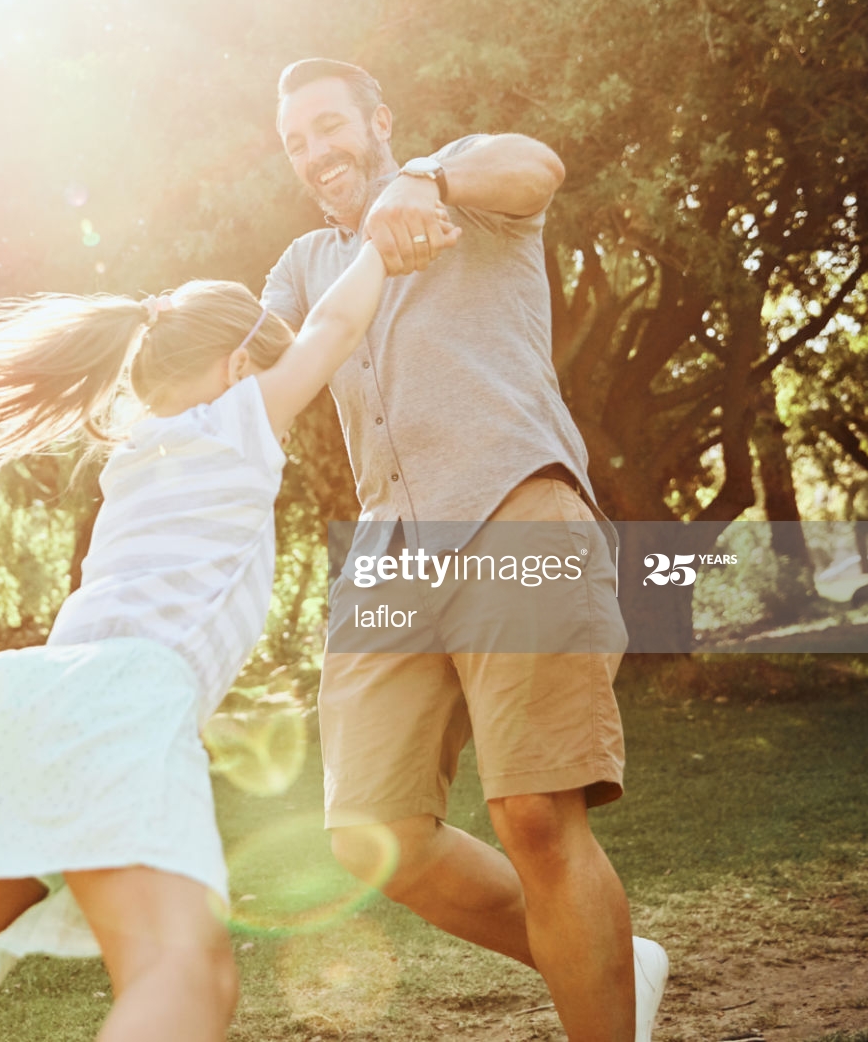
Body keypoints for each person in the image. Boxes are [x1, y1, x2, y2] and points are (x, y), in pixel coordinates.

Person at [0, 236, 425, 1042]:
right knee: (188, 978)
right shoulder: (238, 419)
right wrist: (381, 240)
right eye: (266, 372)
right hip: (124, 703)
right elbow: (337, 325)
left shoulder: (138, 448)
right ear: (242, 369)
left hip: (41, 699)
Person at [262, 58, 669, 1042]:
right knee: (375, 835)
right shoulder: (304, 262)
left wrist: (426, 180)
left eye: (328, 126)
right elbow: (254, 353)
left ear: (377, 120)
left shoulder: (467, 184)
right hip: (390, 555)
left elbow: (538, 164)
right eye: (295, 142)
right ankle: (613, 962)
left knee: (533, 815)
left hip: (511, 505)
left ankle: (601, 1003)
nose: (316, 152)